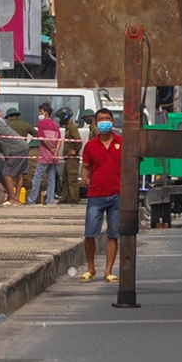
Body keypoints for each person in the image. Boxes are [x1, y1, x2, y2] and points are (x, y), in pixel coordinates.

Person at [78, 109, 123, 282]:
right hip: (96, 195)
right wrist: (85, 177)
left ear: (112, 122)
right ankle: (91, 268)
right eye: (101, 119)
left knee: (113, 235)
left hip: (116, 194)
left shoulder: (121, 142)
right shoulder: (90, 145)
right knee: (90, 233)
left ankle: (108, 271)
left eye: (108, 119)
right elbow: (86, 167)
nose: (105, 122)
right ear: (96, 123)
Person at [30, 102, 63, 204]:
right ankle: (49, 201)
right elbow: (59, 140)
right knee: (51, 179)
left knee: (37, 178)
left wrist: (50, 149)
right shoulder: (55, 125)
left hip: (44, 155)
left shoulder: (41, 124)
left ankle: (32, 200)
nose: (39, 114)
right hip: (53, 157)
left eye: (41, 111)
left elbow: (42, 139)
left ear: (46, 112)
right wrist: (55, 151)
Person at [58, 108, 85, 203]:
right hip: (68, 158)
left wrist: (74, 151)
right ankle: (64, 198)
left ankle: (74, 199)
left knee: (72, 179)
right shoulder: (68, 127)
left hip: (72, 159)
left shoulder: (73, 127)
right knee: (65, 179)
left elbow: (78, 141)